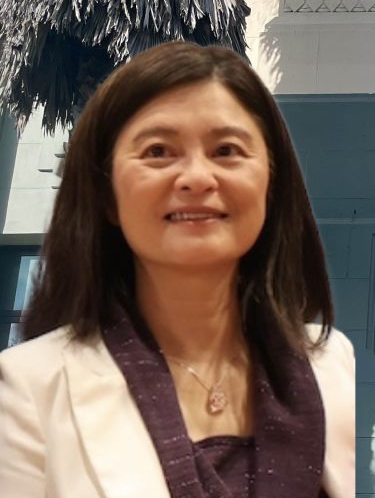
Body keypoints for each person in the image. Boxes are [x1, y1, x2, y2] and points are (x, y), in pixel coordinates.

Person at [0, 42, 355, 498]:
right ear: (107, 193)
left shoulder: (334, 364)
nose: (196, 177)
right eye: (158, 151)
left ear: (271, 183)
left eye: (226, 150)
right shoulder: (28, 388)